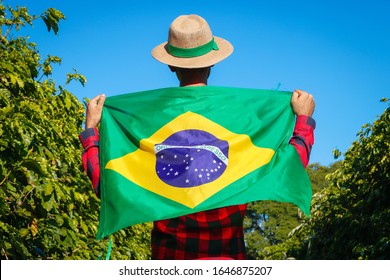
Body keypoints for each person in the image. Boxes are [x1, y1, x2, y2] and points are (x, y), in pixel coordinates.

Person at [79, 14, 315, 260]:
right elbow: (289, 167)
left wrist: (91, 130)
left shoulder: (149, 127)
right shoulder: (240, 125)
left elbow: (108, 185)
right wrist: (303, 121)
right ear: (213, 62)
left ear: (170, 65)